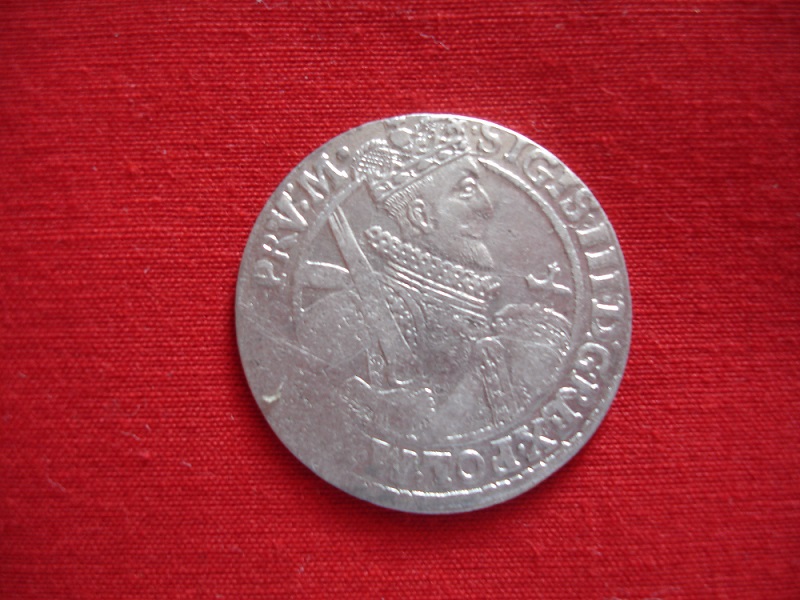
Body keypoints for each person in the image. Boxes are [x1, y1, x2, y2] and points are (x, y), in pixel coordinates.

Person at [295, 117, 569, 441]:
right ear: (420, 216)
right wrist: (379, 415)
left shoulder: (507, 326)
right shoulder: (346, 317)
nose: (487, 205)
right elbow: (310, 424)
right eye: (466, 189)